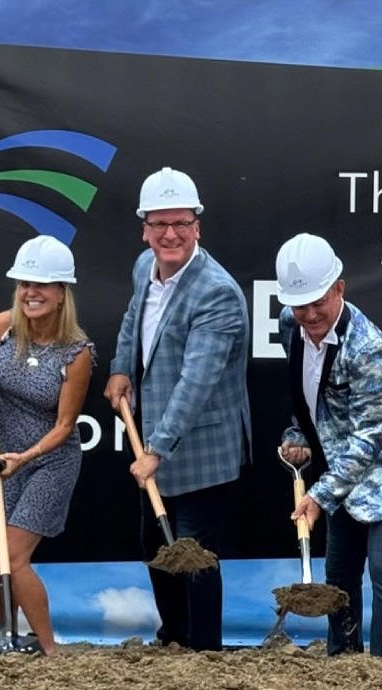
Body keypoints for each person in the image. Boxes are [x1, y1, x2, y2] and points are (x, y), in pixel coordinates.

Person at [102, 166, 251, 652]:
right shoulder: (144, 267)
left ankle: (204, 650)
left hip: (202, 446)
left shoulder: (217, 293)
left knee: (194, 555)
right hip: (153, 440)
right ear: (145, 228)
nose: (171, 234)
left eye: (181, 224)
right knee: (157, 548)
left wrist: (156, 451)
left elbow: (196, 384)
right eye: (160, 224)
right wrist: (121, 367)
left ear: (197, 227)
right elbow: (132, 317)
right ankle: (174, 637)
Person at [275, 233, 382, 657]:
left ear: (340, 289)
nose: (309, 314)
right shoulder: (290, 325)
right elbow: (310, 395)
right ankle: (342, 660)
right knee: (339, 570)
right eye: (300, 304)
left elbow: (369, 438)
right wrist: (299, 436)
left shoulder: (371, 351)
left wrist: (319, 495)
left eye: (319, 302)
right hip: (338, 467)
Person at [0, 235, 94, 657]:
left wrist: (25, 458)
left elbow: (65, 425)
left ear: (61, 292)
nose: (31, 293)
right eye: (24, 284)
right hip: (3, 457)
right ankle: (9, 639)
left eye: (42, 285)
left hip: (49, 460)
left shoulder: (77, 352)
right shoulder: (9, 325)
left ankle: (49, 652)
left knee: (14, 557)